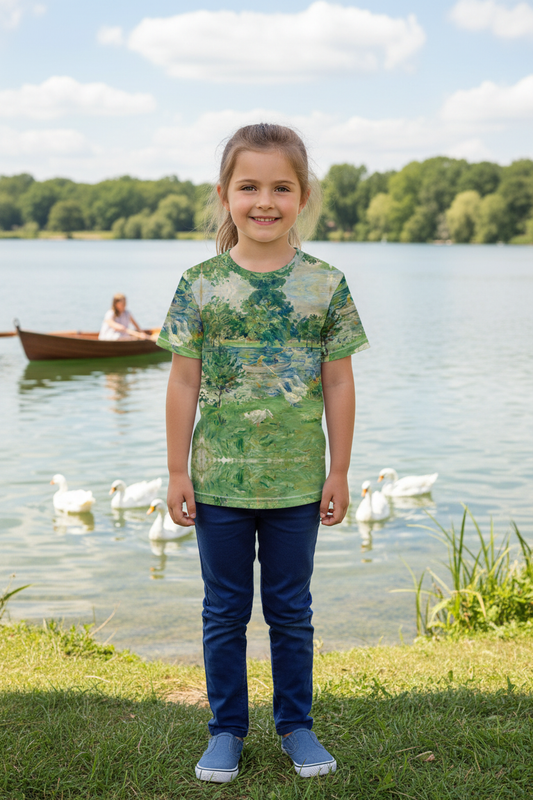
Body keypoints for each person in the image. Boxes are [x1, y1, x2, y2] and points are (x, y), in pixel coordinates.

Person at [157, 123, 369, 782]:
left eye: (280, 187)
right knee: (223, 609)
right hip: (217, 479)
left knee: (289, 609)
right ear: (224, 194)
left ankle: (296, 725)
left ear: (301, 196)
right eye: (249, 186)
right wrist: (174, 470)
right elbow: (184, 379)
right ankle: (225, 730)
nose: (264, 201)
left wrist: (338, 469)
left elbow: (338, 379)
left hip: (297, 483)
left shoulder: (325, 284)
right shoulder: (199, 284)